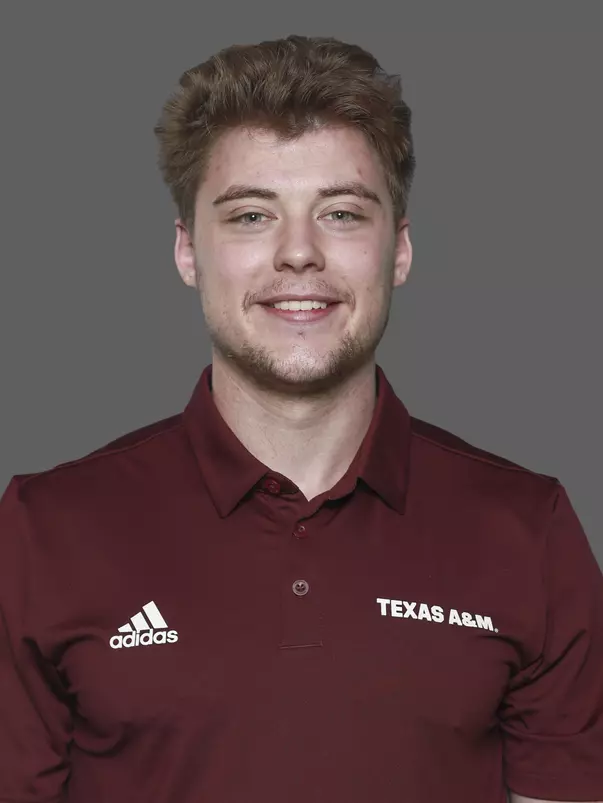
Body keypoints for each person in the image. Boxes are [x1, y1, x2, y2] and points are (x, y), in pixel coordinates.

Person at [0, 34, 601, 803]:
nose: (298, 254)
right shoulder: (47, 530)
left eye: (342, 213)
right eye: (251, 215)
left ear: (400, 250)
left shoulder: (528, 530)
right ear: (188, 251)